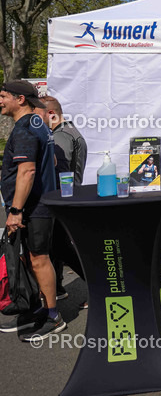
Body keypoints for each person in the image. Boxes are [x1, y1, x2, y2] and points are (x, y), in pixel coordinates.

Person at [0, 80, 64, 340]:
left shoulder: (27, 128)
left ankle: (53, 316)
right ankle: (38, 308)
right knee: (33, 258)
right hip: (38, 204)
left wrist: (15, 210)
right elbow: (53, 160)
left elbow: (27, 170)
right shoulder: (38, 124)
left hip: (34, 206)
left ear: (20, 100)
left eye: (3, 96)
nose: (0, 101)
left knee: (39, 258)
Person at [40, 95, 89, 307]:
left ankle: (99, 288)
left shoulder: (61, 136)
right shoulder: (68, 132)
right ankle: (58, 287)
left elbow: (60, 171)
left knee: (62, 247)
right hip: (67, 199)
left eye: (39, 115)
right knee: (56, 246)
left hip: (62, 200)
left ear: (51, 114)